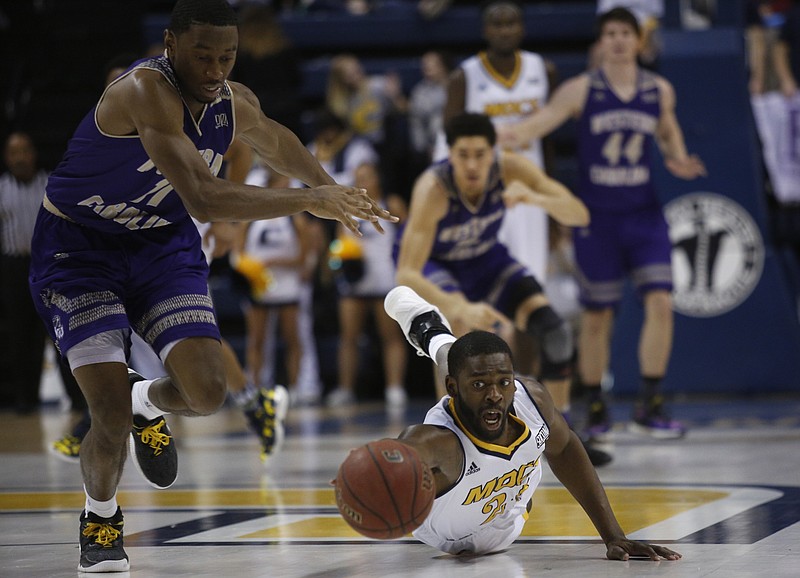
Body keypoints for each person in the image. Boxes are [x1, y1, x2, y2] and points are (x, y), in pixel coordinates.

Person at [28, 0, 395, 572]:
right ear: (171, 45)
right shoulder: (145, 91)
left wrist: (332, 190)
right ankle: (101, 519)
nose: (216, 70)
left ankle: (145, 397)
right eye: (203, 56)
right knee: (106, 412)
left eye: (227, 57)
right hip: (80, 248)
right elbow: (203, 196)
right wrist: (307, 200)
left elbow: (276, 141)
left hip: (159, 245)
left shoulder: (232, 99)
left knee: (207, 393)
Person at [497, 7, 707, 441]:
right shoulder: (580, 90)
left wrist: (677, 156)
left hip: (644, 214)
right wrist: (497, 135)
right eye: (609, 32)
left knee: (662, 303)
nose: (617, 40)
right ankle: (594, 406)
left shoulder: (658, 90)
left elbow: (666, 131)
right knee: (597, 317)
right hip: (597, 217)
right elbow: (538, 125)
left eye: (624, 33)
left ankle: (651, 404)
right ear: (600, 42)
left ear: (638, 41)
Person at [376, 284, 682, 560]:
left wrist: (613, 535)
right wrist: (377, 471)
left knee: (466, 365)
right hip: (441, 530)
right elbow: (401, 454)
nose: (496, 395)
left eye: (504, 382)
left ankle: (429, 328)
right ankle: (427, 325)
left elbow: (565, 449)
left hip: (508, 508)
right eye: (481, 386)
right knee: (452, 362)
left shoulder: (530, 399)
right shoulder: (438, 440)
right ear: (452, 390)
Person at [394, 112, 611, 467]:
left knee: (556, 335)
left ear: (494, 153)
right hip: (439, 267)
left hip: (486, 260)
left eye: (480, 154)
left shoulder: (512, 168)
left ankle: (561, 431)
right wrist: (456, 304)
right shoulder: (432, 190)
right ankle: (454, 438)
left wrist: (535, 199)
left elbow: (579, 215)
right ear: (449, 155)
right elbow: (406, 273)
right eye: (463, 155)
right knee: (460, 344)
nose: (472, 164)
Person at [327, 162, 409, 408]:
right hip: (355, 281)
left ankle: (395, 388)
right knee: (349, 337)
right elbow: (338, 243)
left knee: (391, 337)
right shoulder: (346, 207)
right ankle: (345, 389)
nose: (363, 182)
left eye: (367, 176)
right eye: (358, 177)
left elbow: (411, 236)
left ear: (378, 178)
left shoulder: (392, 204)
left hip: (386, 279)